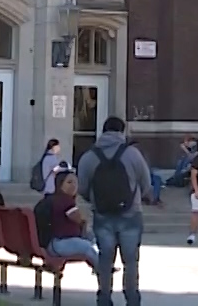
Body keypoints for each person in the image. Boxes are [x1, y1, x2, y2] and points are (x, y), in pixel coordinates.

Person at [78, 116, 158, 306]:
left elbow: (81, 188)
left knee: (105, 260)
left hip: (103, 216)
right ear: (122, 131)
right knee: (130, 261)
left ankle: (104, 297)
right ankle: (131, 298)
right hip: (131, 214)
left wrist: (96, 201)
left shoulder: (89, 156)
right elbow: (146, 184)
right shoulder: (132, 154)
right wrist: (147, 197)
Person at [38, 169, 103, 274]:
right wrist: (83, 222)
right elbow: (79, 219)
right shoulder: (65, 201)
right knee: (87, 246)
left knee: (93, 239)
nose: (73, 185)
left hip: (52, 243)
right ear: (60, 184)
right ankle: (103, 269)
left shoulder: (52, 199)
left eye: (75, 182)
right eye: (69, 182)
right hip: (59, 243)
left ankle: (99, 265)